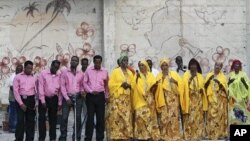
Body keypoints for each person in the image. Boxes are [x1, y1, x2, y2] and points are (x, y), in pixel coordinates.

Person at [155, 58, 183, 141]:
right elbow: (155, 89)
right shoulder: (158, 76)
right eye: (163, 65)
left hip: (173, 100)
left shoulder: (174, 74)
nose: (164, 67)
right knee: (164, 118)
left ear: (168, 66)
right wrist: (162, 80)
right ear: (161, 67)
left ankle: (175, 135)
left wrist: (175, 82)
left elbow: (181, 85)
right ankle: (165, 135)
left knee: (174, 118)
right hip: (163, 99)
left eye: (166, 65)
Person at [106, 54, 133, 140]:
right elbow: (110, 84)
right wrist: (121, 84)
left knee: (126, 116)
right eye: (124, 61)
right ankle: (115, 135)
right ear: (120, 62)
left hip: (126, 98)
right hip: (117, 98)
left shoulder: (129, 73)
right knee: (116, 117)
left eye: (126, 61)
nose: (125, 62)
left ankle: (126, 135)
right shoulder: (115, 71)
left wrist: (129, 85)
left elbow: (133, 84)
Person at [132, 60, 160, 140]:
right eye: (140, 65)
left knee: (150, 118)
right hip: (140, 99)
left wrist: (153, 87)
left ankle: (150, 135)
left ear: (146, 66)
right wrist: (136, 78)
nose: (141, 67)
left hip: (149, 99)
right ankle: (141, 135)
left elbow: (153, 86)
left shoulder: (150, 75)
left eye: (143, 65)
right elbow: (133, 87)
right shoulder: (137, 75)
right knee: (140, 117)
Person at [59, 56, 85, 141]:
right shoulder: (65, 72)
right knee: (64, 118)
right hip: (67, 98)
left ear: (78, 63)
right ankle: (63, 137)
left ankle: (76, 137)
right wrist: (67, 98)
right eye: (73, 60)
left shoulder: (81, 73)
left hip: (78, 97)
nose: (74, 62)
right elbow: (62, 87)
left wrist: (81, 91)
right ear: (70, 61)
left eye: (76, 61)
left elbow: (81, 85)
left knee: (78, 118)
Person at [84, 55, 109, 141]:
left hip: (100, 97)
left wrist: (106, 96)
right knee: (90, 118)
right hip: (90, 97)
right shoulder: (88, 70)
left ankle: (100, 137)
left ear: (101, 62)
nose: (97, 64)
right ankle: (88, 137)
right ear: (94, 62)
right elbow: (84, 83)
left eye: (99, 62)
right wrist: (90, 91)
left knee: (100, 118)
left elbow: (106, 85)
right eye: (96, 62)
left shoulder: (105, 71)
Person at [182, 58, 208, 141]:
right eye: (191, 65)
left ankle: (197, 136)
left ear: (197, 66)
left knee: (198, 119)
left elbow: (203, 87)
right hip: (189, 101)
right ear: (189, 66)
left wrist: (202, 90)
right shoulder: (186, 75)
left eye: (194, 65)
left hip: (198, 102)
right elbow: (184, 87)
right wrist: (191, 78)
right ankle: (189, 136)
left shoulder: (200, 76)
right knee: (190, 119)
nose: (193, 67)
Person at [38, 60, 61, 141]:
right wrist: (43, 100)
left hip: (54, 99)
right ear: (51, 65)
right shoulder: (43, 73)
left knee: (53, 120)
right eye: (54, 67)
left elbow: (60, 90)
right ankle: (41, 138)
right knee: (42, 119)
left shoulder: (59, 75)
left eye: (57, 68)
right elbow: (40, 87)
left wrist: (59, 102)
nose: (55, 69)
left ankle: (53, 138)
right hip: (44, 98)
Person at [13, 60, 37, 141]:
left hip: (31, 100)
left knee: (30, 122)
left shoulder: (34, 78)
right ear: (24, 67)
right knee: (20, 121)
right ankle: (19, 139)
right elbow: (15, 92)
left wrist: (36, 103)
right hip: (21, 99)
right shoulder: (18, 77)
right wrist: (21, 104)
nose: (30, 70)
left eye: (31, 68)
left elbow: (36, 91)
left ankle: (29, 139)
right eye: (28, 68)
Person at [204, 62, 228, 140]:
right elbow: (205, 86)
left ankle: (220, 134)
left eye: (219, 66)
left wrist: (219, 83)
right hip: (211, 99)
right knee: (211, 116)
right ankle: (211, 133)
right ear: (214, 66)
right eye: (216, 65)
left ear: (221, 67)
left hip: (220, 100)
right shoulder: (209, 75)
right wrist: (209, 80)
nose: (217, 67)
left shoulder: (223, 77)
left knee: (220, 117)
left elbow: (225, 89)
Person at [228, 60, 250, 125]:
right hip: (233, 99)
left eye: (238, 65)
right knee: (234, 114)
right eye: (235, 65)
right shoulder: (231, 75)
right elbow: (227, 85)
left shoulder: (244, 74)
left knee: (243, 113)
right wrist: (230, 82)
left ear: (240, 66)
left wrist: (243, 82)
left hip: (242, 99)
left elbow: (248, 86)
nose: (237, 66)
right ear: (233, 66)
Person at [8, 64, 23, 133]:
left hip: (20, 96)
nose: (19, 71)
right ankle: (12, 127)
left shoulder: (23, 76)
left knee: (19, 112)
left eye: (20, 70)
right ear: (16, 70)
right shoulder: (13, 76)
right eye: (18, 69)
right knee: (13, 112)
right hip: (13, 97)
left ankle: (18, 127)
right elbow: (12, 87)